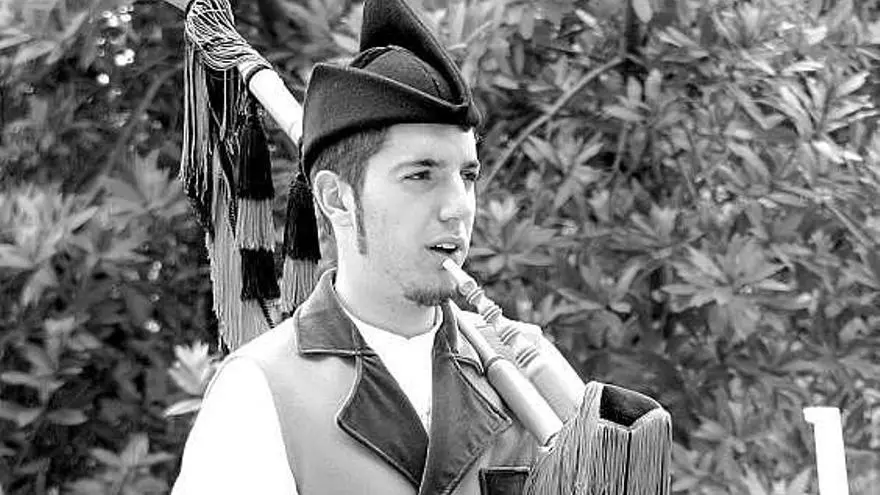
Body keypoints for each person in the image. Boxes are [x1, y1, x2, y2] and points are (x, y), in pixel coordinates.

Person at [172, 0, 549, 493]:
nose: (458, 208)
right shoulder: (261, 390)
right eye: (420, 175)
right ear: (337, 198)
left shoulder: (524, 367)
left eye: (467, 175)